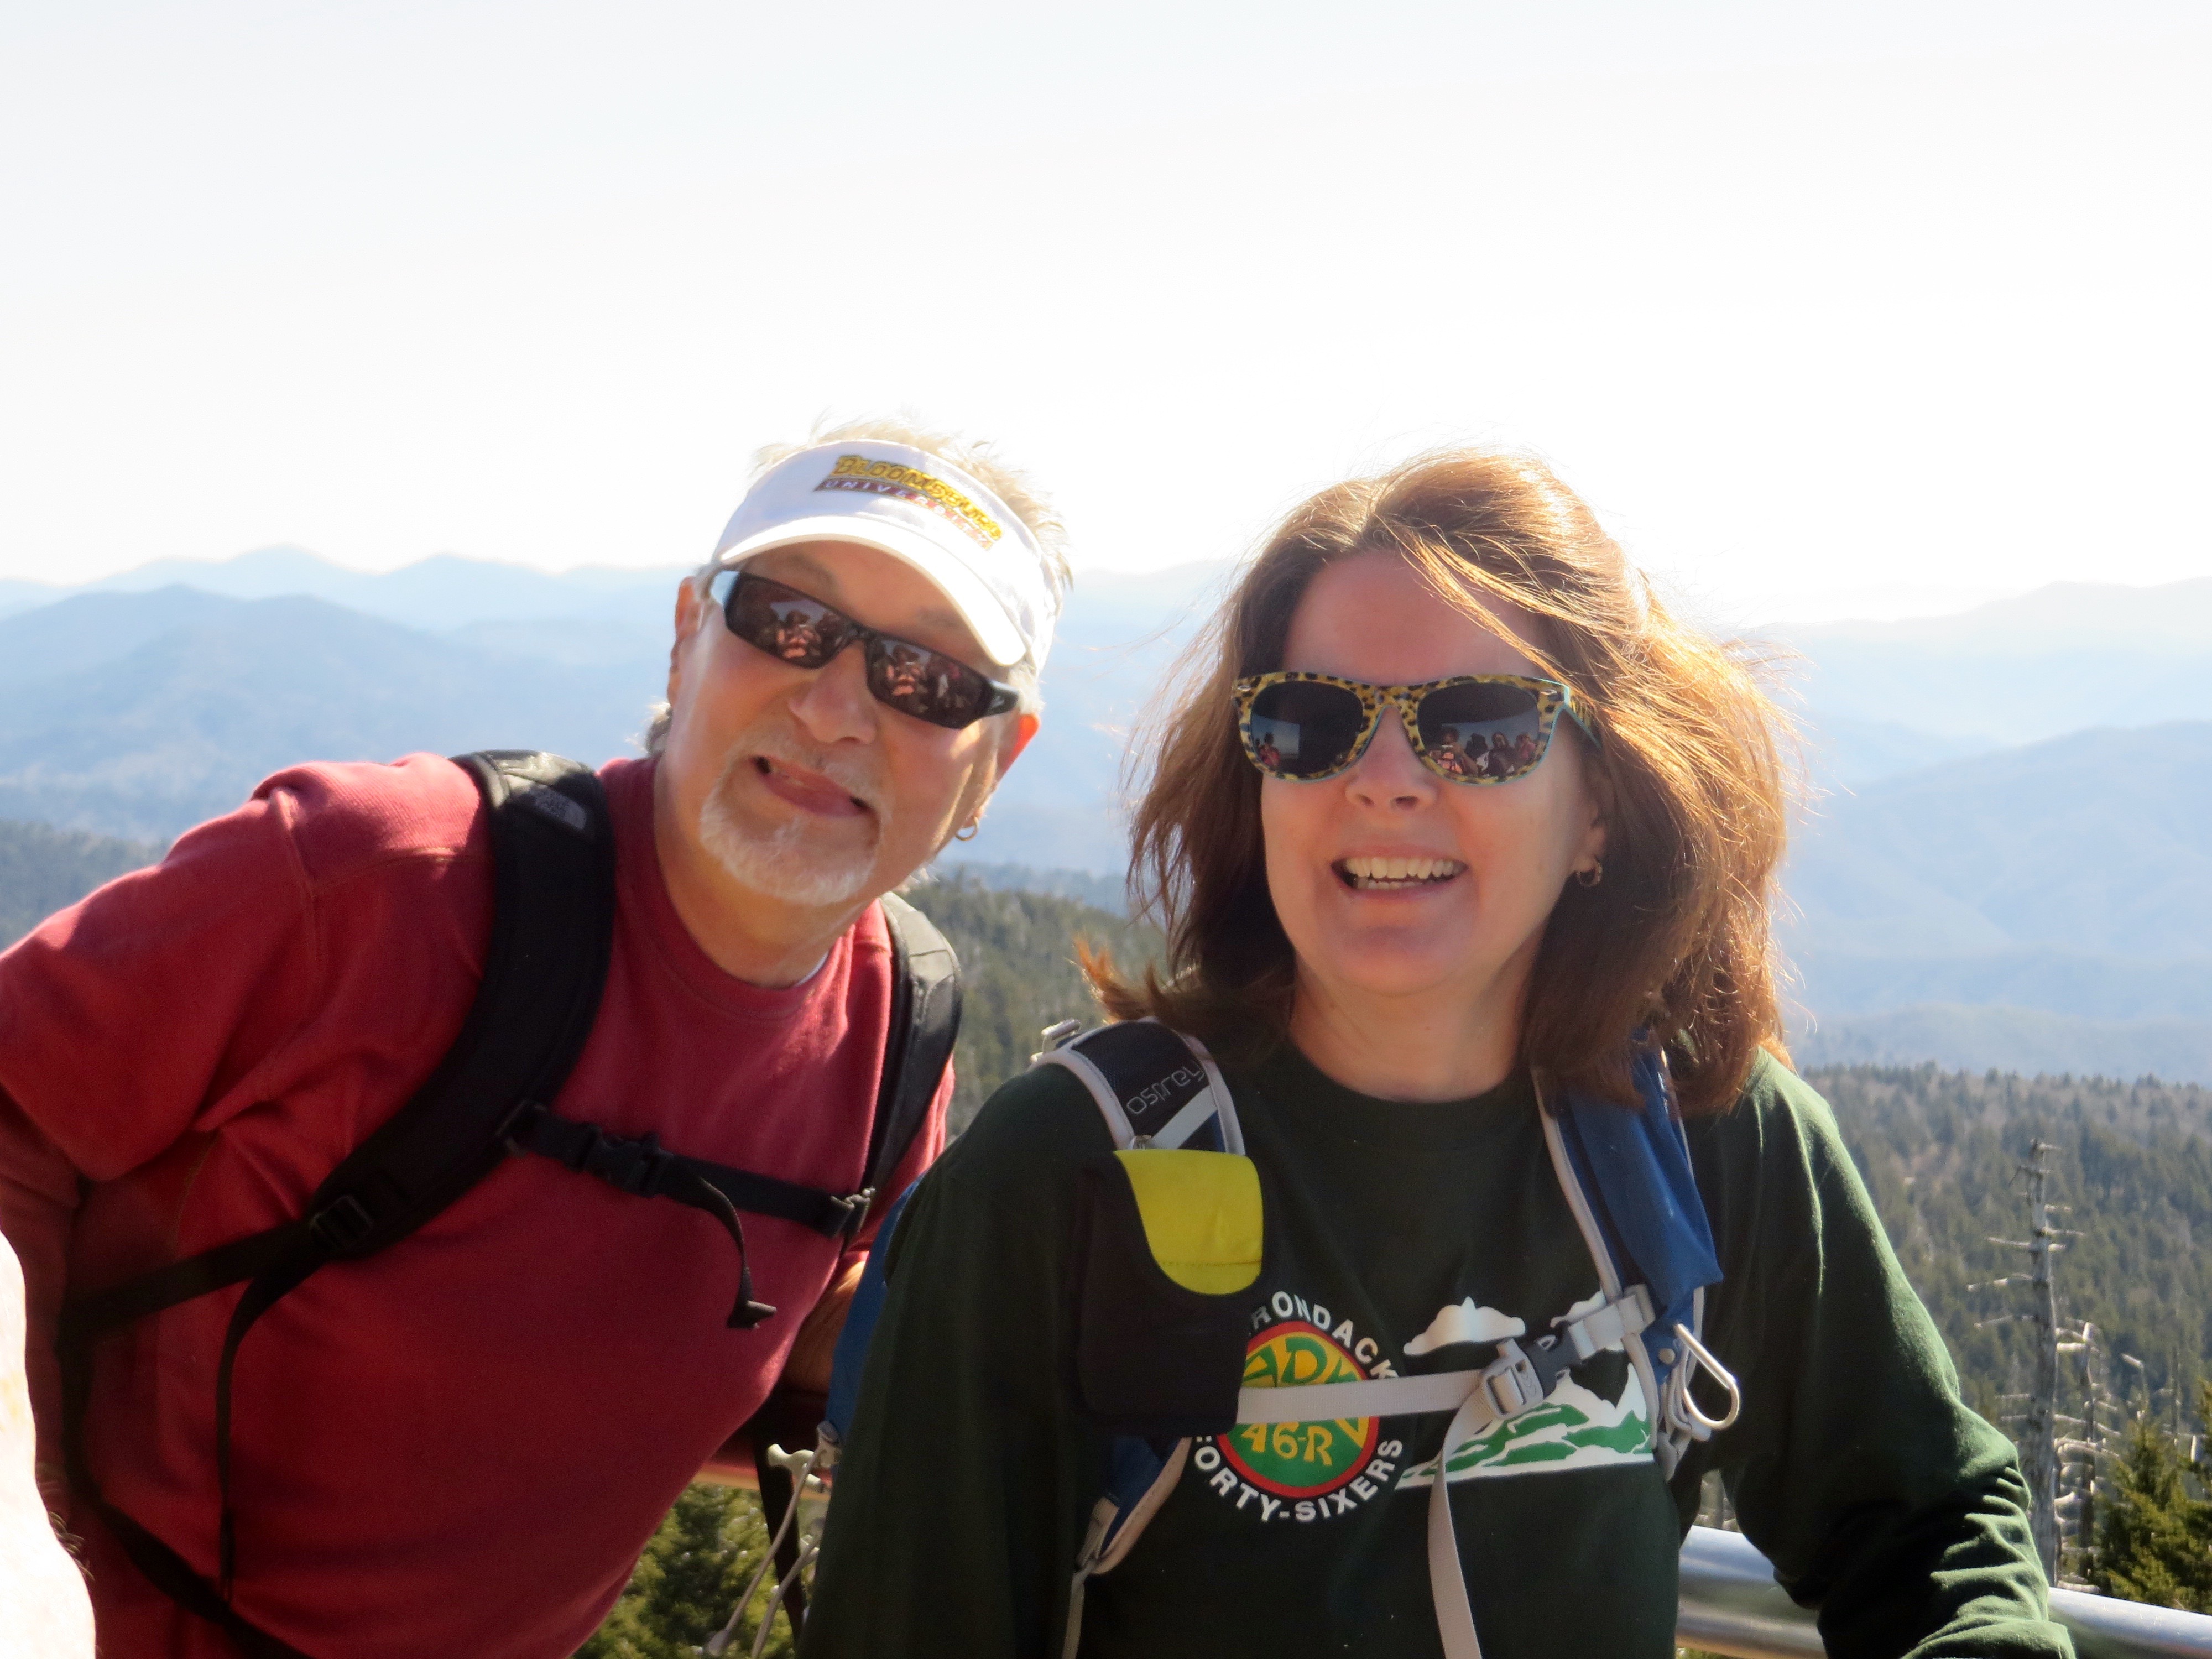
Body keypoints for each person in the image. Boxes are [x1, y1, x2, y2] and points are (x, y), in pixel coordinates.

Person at [797, 449, 2069, 1657]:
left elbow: (1925, 1529)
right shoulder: (1068, 1177)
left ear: (1601, 811)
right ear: (1257, 780)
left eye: (1482, 723)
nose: (1386, 777)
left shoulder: (1700, 1137)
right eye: (1308, 722)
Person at [0, 420, 1066, 1658]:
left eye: (928, 680)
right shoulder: (381, 876)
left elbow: (763, 1368)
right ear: (685, 638)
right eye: (788, 622)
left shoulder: (896, 1038)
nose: (835, 707)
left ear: (995, 761)